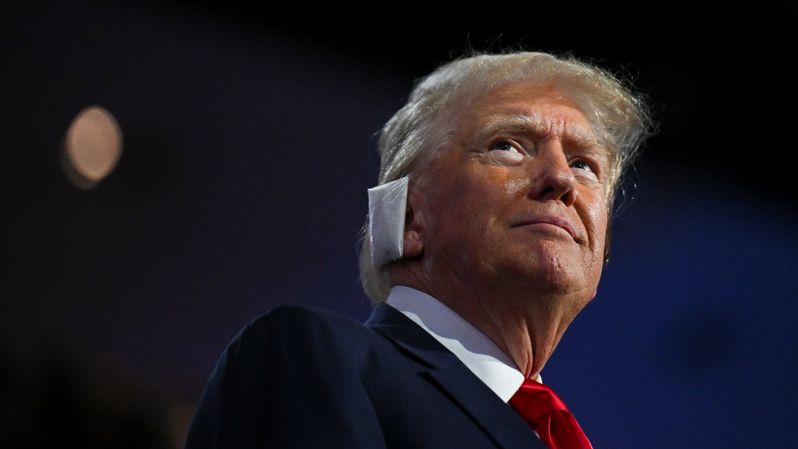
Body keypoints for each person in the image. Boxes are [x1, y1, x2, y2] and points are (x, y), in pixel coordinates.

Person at [183, 50, 652, 449]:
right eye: (507, 145)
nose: (561, 179)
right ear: (408, 219)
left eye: (583, 163)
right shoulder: (321, 359)